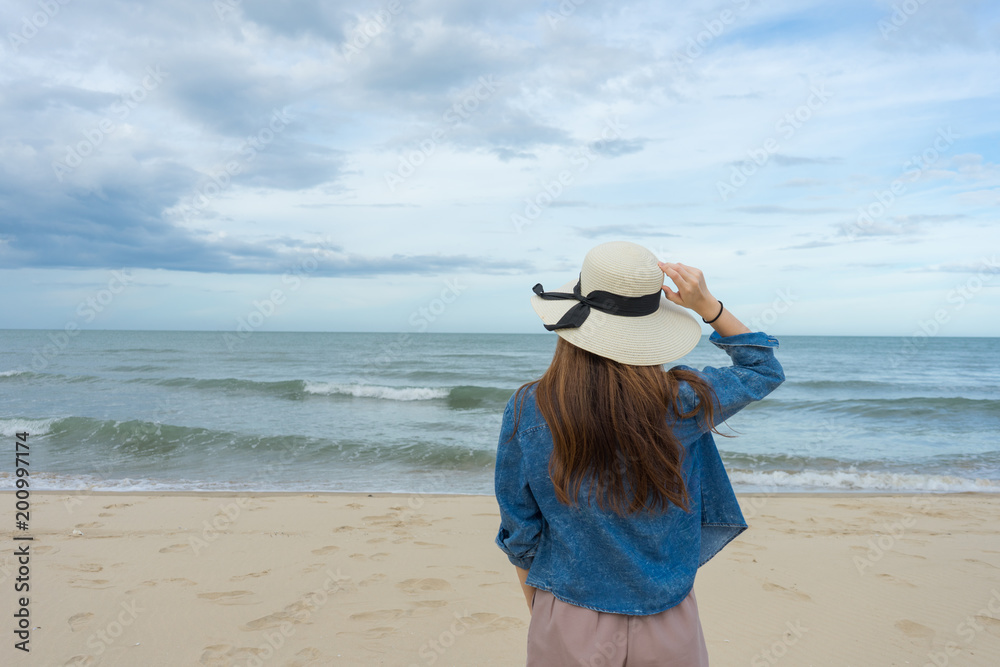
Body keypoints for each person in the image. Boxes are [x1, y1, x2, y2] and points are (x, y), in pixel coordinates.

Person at [494, 241, 785, 666]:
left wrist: (540, 609)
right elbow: (762, 369)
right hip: (667, 616)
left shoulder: (529, 408)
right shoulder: (683, 401)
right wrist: (709, 308)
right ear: (651, 330)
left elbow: (520, 530)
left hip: (568, 610)